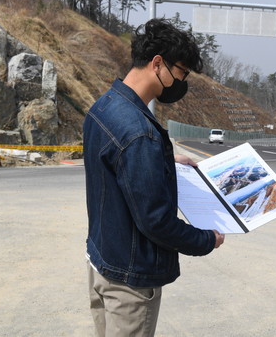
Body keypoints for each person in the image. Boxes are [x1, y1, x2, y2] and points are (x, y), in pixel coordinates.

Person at [83, 18, 225, 337]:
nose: (181, 83)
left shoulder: (104, 106)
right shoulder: (139, 133)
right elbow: (156, 222)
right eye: (181, 73)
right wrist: (206, 240)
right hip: (130, 285)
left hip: (101, 261)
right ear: (157, 63)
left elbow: (113, 165)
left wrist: (163, 160)